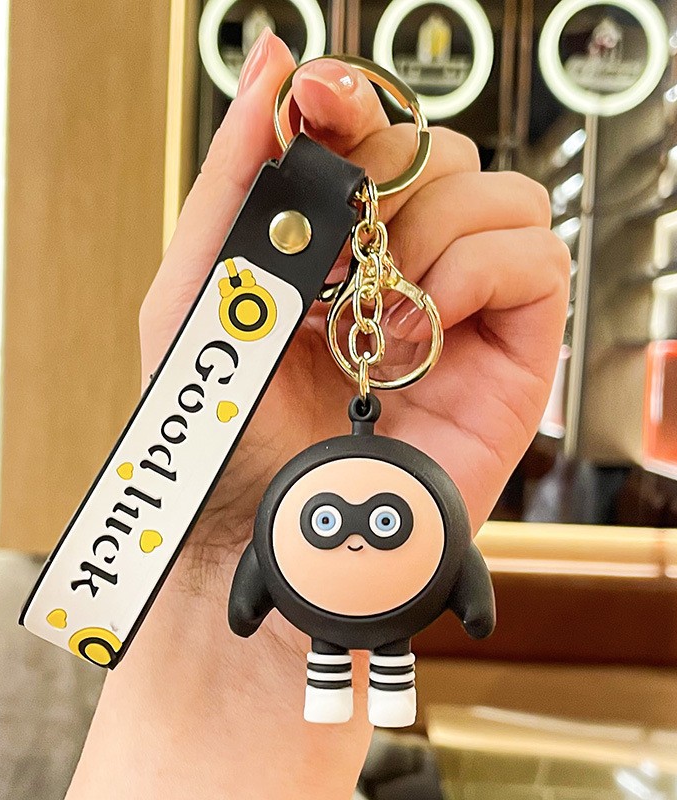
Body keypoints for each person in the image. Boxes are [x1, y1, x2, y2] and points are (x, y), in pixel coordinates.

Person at [65, 30, 569, 799]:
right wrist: (215, 588)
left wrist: (236, 625)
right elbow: (268, 579)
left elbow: (455, 571)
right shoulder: (311, 510)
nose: (359, 536)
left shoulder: (397, 495)